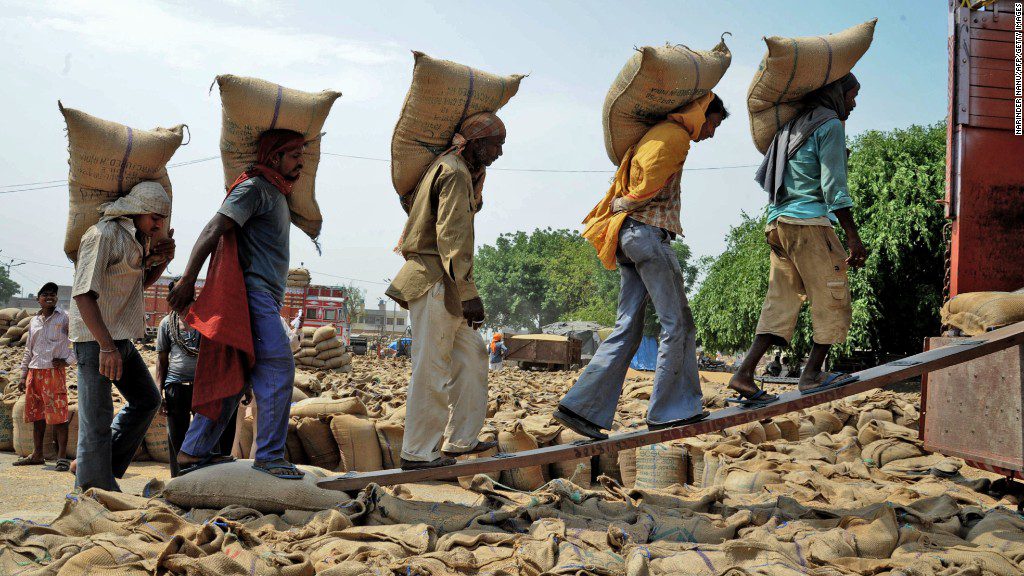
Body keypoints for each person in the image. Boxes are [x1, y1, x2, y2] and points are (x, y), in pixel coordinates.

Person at [553, 93, 729, 440]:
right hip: (647, 234)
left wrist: (625, 205)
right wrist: (628, 202)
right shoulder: (675, 137)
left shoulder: (654, 134)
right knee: (678, 324)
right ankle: (670, 411)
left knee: (627, 327)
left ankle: (580, 408)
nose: (712, 133)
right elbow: (649, 183)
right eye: (715, 123)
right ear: (703, 113)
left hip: (628, 237)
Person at [168, 129, 306, 479]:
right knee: (278, 366)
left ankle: (193, 452)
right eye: (294, 155)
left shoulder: (277, 194)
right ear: (274, 158)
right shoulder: (255, 188)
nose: (301, 162)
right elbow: (213, 228)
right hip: (252, 296)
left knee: (235, 374)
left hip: (264, 299)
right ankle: (271, 455)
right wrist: (187, 279)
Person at [729, 73, 867, 401]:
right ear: (837, 94)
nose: (854, 103)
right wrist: (853, 238)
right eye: (852, 95)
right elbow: (835, 189)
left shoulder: (793, 128)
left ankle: (744, 374)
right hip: (808, 224)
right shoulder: (829, 124)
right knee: (834, 294)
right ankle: (812, 374)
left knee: (782, 299)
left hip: (777, 224)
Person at [385, 111, 505, 470]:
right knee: (432, 369)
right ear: (477, 143)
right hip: (437, 282)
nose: (499, 153)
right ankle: (418, 452)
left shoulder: (457, 171)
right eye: (496, 145)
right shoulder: (452, 172)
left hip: (446, 283)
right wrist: (468, 293)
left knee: (473, 358)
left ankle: (461, 441)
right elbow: (450, 237)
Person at [70, 182, 175, 491]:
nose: (158, 224)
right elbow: (83, 295)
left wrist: (163, 259)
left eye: (162, 218)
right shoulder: (102, 235)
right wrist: (105, 346)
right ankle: (92, 487)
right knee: (97, 417)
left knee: (147, 399)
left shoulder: (137, 240)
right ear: (135, 211)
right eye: (154, 216)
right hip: (95, 341)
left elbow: (137, 285)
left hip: (121, 338)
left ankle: (98, 466)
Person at [156, 289, 237, 477]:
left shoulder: (205, 322)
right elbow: (161, 361)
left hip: (204, 387)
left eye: (190, 296)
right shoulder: (167, 324)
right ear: (172, 299)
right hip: (175, 386)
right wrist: (159, 392)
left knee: (207, 437)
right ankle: (178, 483)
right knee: (177, 439)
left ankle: (206, 480)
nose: (187, 301)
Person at [15, 282, 75, 471]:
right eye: (45, 294)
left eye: (53, 294)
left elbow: (79, 340)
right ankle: (38, 454)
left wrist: (67, 361)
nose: (50, 297)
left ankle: (62, 458)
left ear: (56, 298)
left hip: (53, 373)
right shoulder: (34, 321)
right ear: (38, 299)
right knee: (37, 416)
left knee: (59, 415)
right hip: (35, 372)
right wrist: (23, 375)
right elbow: (28, 350)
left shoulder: (64, 318)